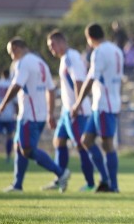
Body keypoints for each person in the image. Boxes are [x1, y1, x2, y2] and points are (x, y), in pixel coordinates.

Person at [0, 37, 70, 193]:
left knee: (28, 150)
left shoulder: (23, 63)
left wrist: (3, 103)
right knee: (19, 147)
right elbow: (51, 89)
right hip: (39, 113)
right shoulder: (41, 63)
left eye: (11, 52)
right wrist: (50, 112)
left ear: (16, 48)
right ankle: (17, 185)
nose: (11, 56)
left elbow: (17, 85)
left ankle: (61, 172)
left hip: (29, 115)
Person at [71, 23, 124, 193]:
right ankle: (105, 180)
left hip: (104, 104)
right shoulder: (116, 50)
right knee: (86, 140)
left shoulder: (99, 52)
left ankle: (113, 185)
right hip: (105, 104)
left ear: (90, 37)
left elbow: (91, 78)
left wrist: (78, 102)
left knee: (107, 144)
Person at [41, 30, 96, 192]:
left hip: (76, 112)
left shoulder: (72, 57)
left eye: (53, 45)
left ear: (61, 42)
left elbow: (79, 81)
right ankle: (60, 178)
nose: (51, 50)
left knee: (81, 146)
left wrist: (77, 106)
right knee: (58, 142)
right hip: (67, 110)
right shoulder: (65, 58)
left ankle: (91, 183)